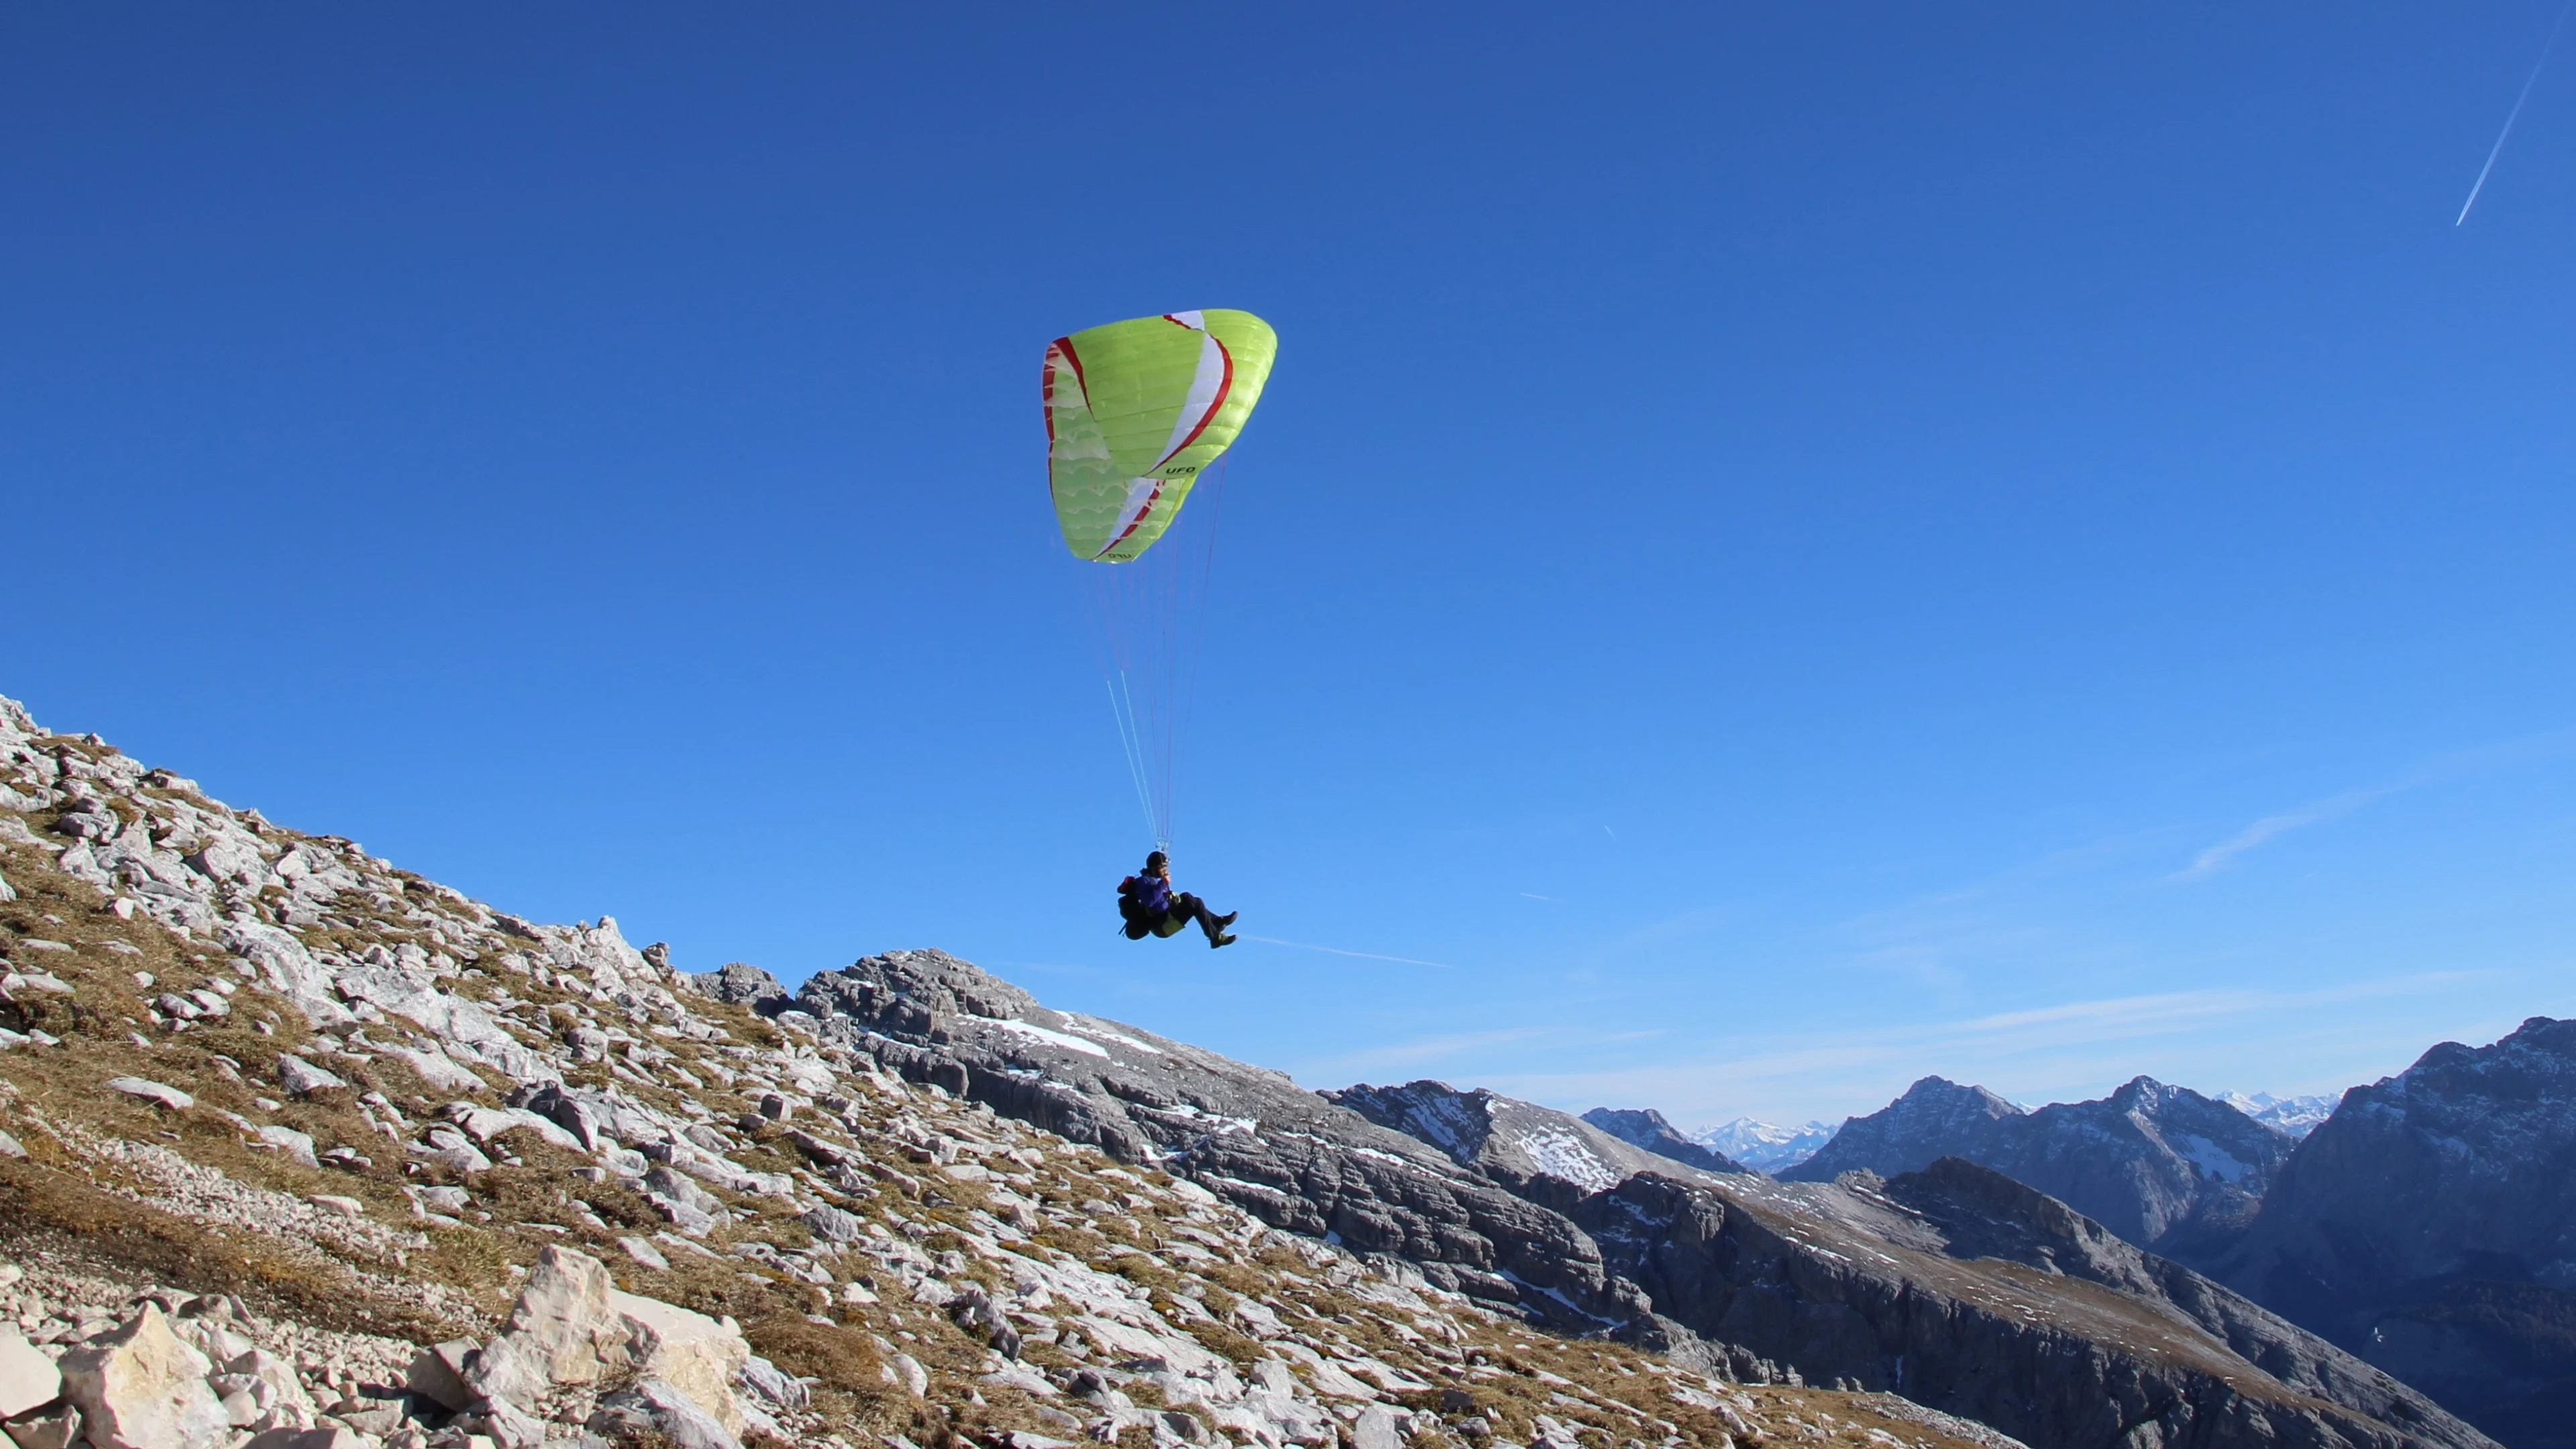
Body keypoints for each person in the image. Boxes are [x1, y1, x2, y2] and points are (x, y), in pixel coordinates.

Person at [1118, 851, 1238, 947]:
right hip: (1162, 927)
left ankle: (1216, 921)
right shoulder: (1143, 881)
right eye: (1162, 867)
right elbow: (1149, 901)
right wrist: (1164, 883)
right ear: (1154, 868)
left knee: (1187, 897)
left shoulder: (1153, 881)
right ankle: (1216, 938)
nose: (1165, 870)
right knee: (1195, 903)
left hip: (1166, 918)